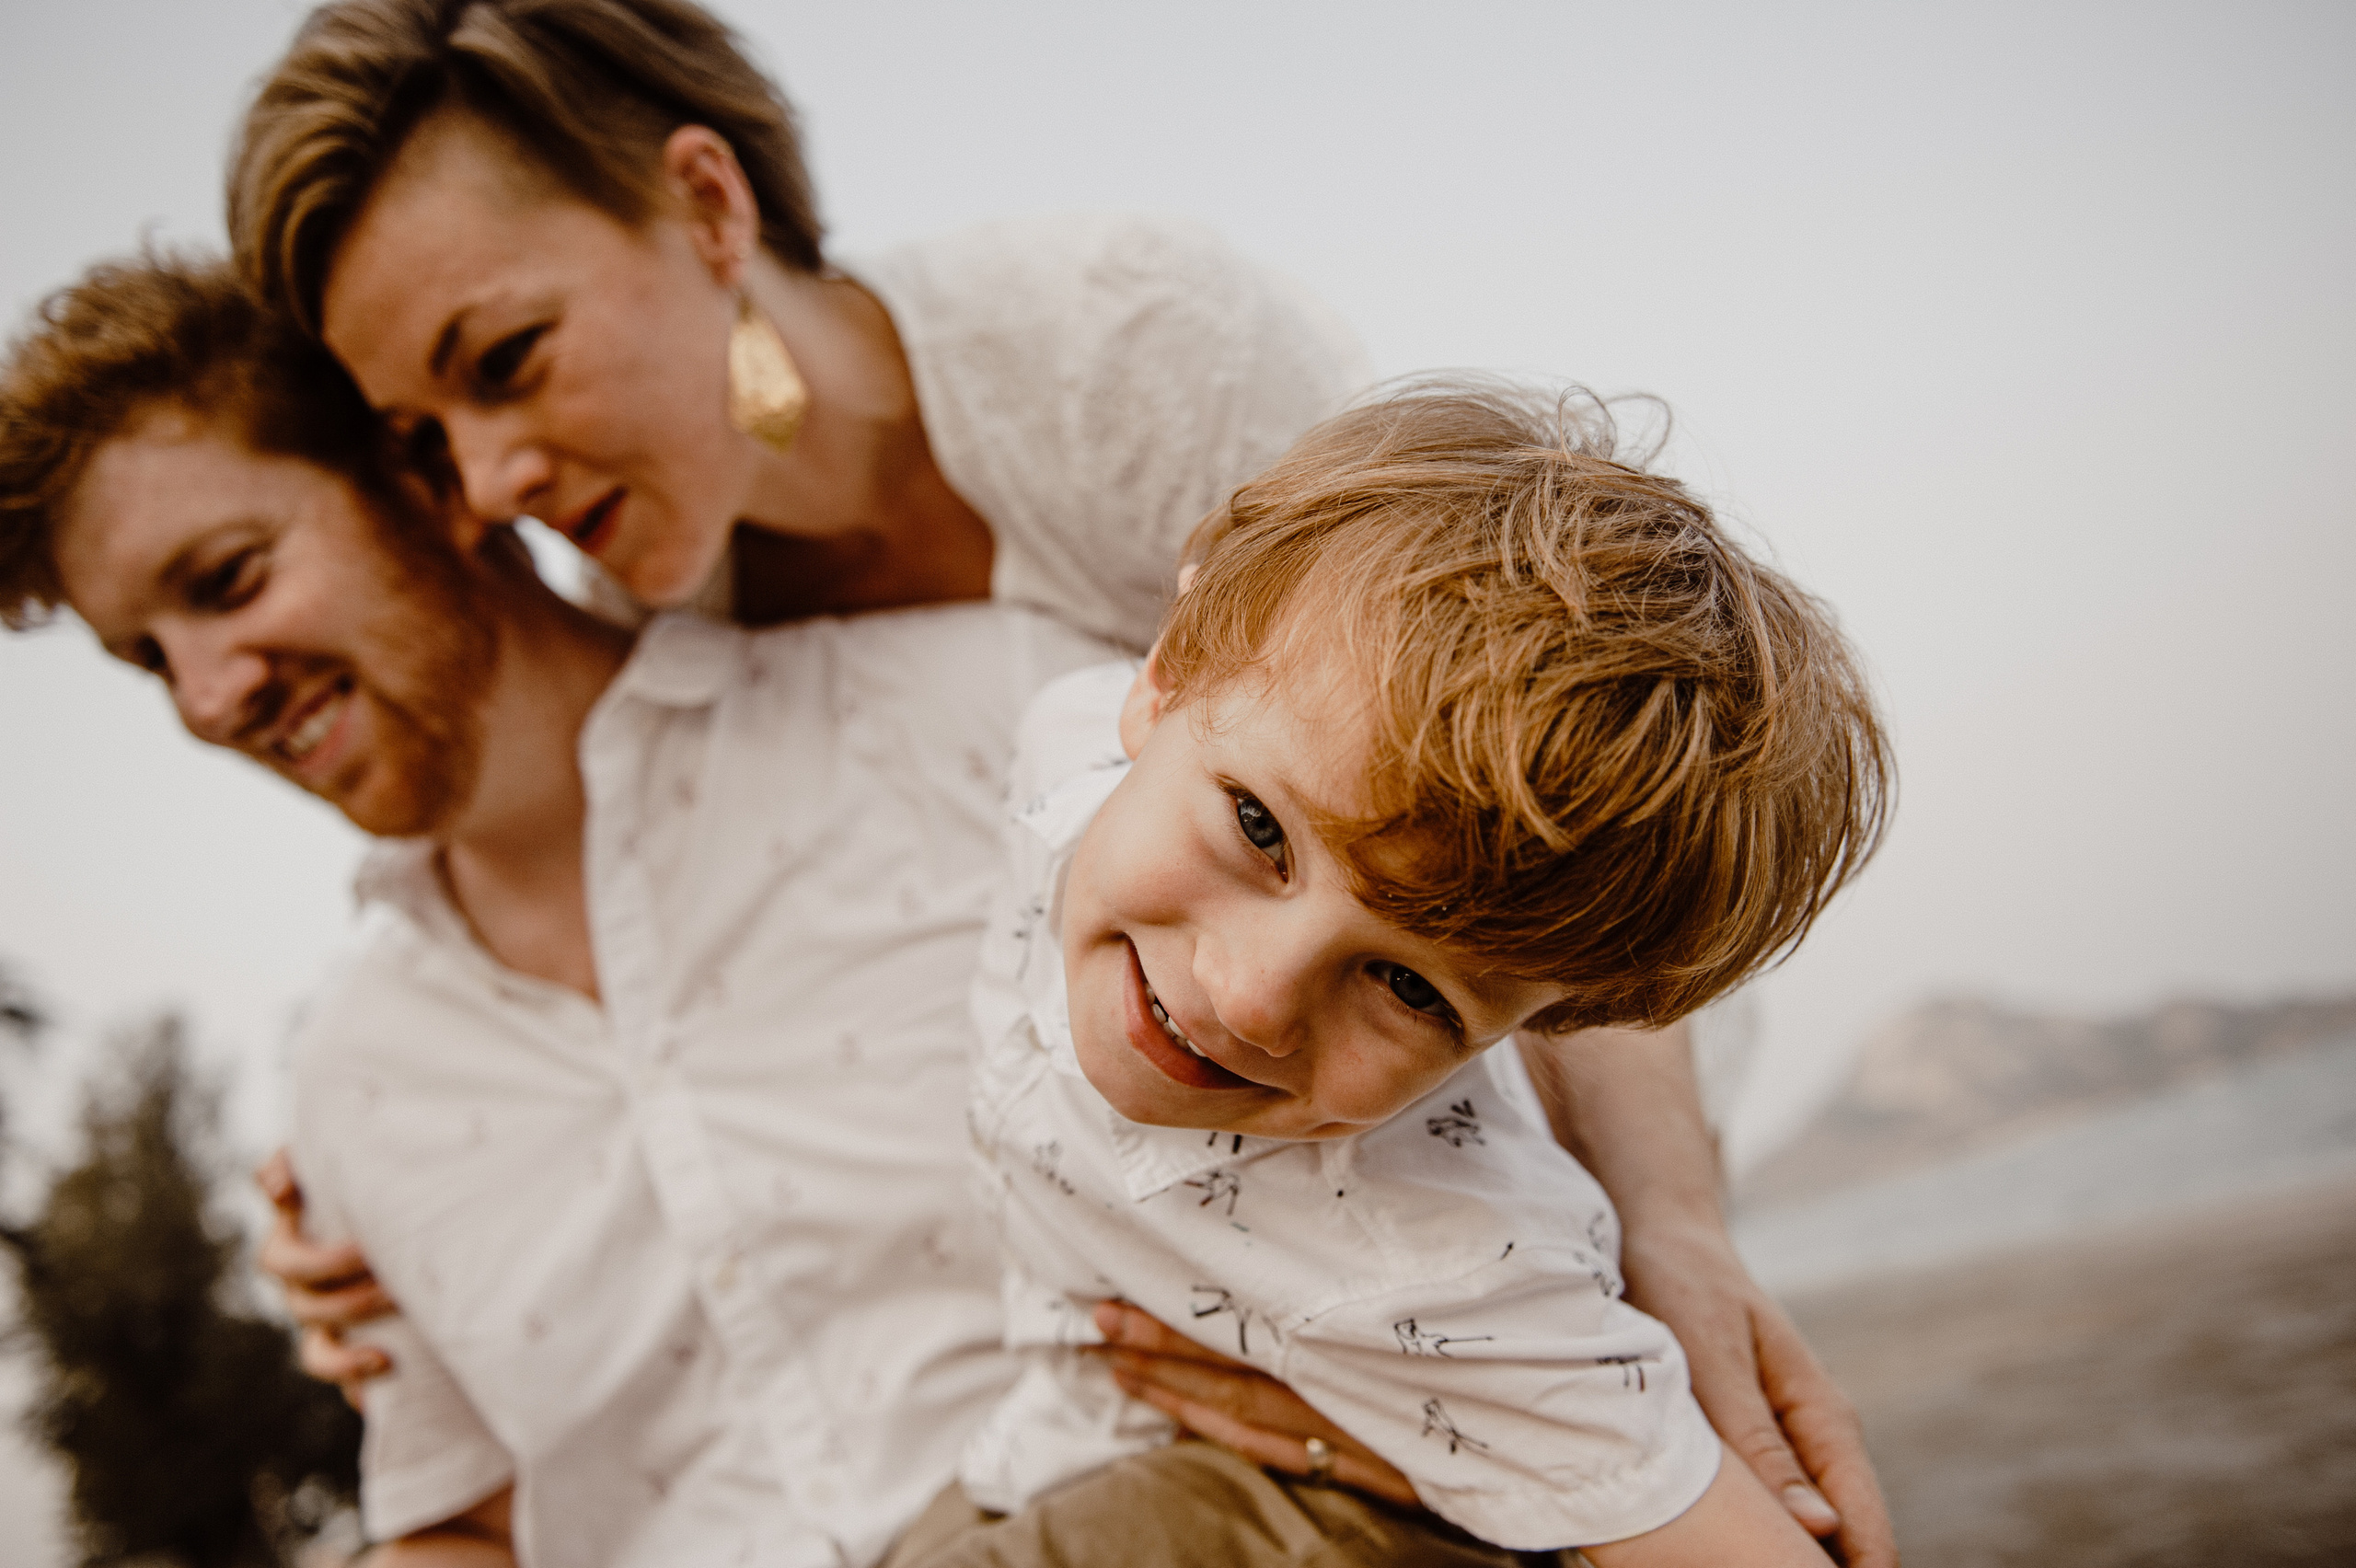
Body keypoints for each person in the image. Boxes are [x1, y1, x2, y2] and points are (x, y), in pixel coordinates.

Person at [226, 11, 1892, 1562]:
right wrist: (386, 1207)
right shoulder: (652, 611)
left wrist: (1666, 1239)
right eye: (425, 434)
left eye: (504, 356)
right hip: (1148, 1296)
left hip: (1462, 1143)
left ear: (707, 205)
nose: (491, 483)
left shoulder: (1124, 351)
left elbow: (1528, 797)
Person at [886, 386, 1888, 1567]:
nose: (1254, 998)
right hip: (1052, 1444)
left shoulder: (1448, 1259)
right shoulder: (1066, 745)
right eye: (1260, 831)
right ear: (1164, 680)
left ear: (1542, 1024)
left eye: (1414, 991)